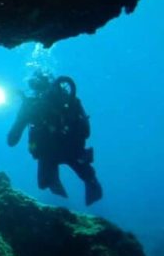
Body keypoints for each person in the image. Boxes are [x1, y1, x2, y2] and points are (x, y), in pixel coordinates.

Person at [7, 72, 103, 205]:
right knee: (49, 183)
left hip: (61, 149)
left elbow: (12, 140)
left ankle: (80, 190)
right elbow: (12, 139)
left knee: (52, 182)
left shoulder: (62, 101)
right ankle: (72, 193)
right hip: (59, 150)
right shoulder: (61, 101)